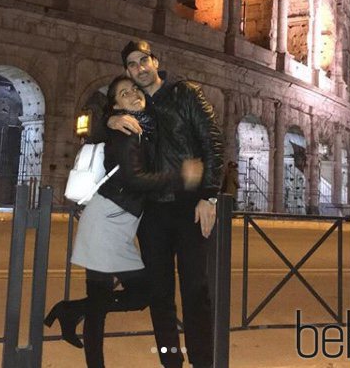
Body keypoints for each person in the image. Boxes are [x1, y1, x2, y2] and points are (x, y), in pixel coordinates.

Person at [45, 76, 202, 368]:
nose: (133, 94)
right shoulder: (125, 130)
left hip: (114, 220)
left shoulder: (141, 126)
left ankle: (73, 319)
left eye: (135, 90)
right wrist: (180, 176)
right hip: (107, 221)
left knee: (102, 299)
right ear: (115, 104)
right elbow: (134, 178)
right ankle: (69, 313)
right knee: (138, 293)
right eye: (123, 93)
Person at [109, 40, 224, 368]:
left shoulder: (185, 93)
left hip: (189, 207)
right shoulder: (135, 109)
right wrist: (110, 121)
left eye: (143, 60)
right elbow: (99, 133)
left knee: (195, 293)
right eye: (131, 64)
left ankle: (203, 362)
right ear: (128, 72)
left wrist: (209, 194)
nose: (139, 68)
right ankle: (171, 362)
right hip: (153, 213)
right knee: (160, 295)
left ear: (155, 61)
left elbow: (212, 139)